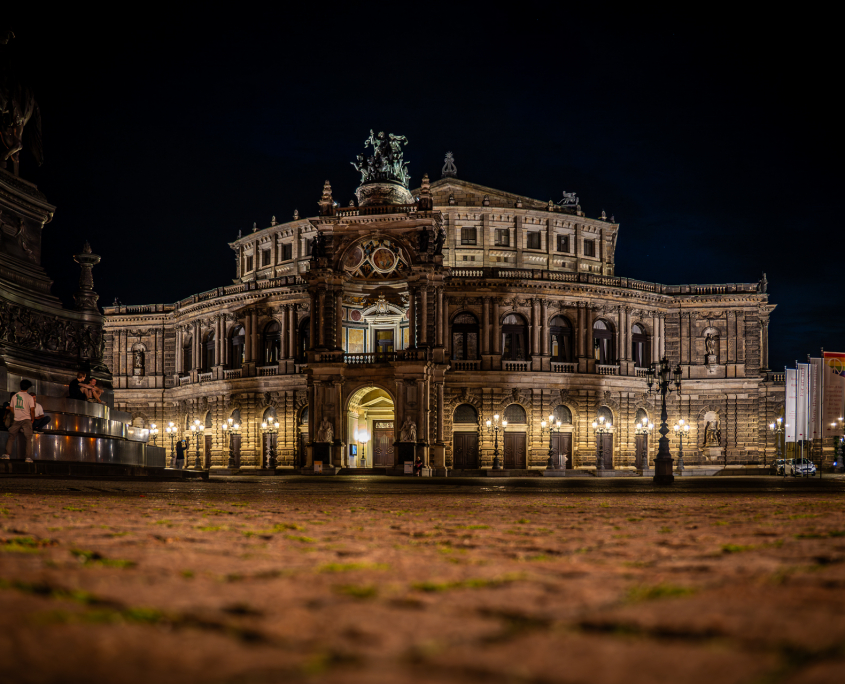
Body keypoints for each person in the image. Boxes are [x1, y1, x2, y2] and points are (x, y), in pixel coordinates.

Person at [2, 380, 36, 463]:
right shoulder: (29, 397)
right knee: (28, 438)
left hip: (17, 419)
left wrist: (16, 414)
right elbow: (32, 410)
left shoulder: (15, 396)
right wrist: (32, 419)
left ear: (20, 386)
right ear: (28, 388)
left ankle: (7, 454)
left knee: (11, 437)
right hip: (26, 419)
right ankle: (28, 457)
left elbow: (11, 408)